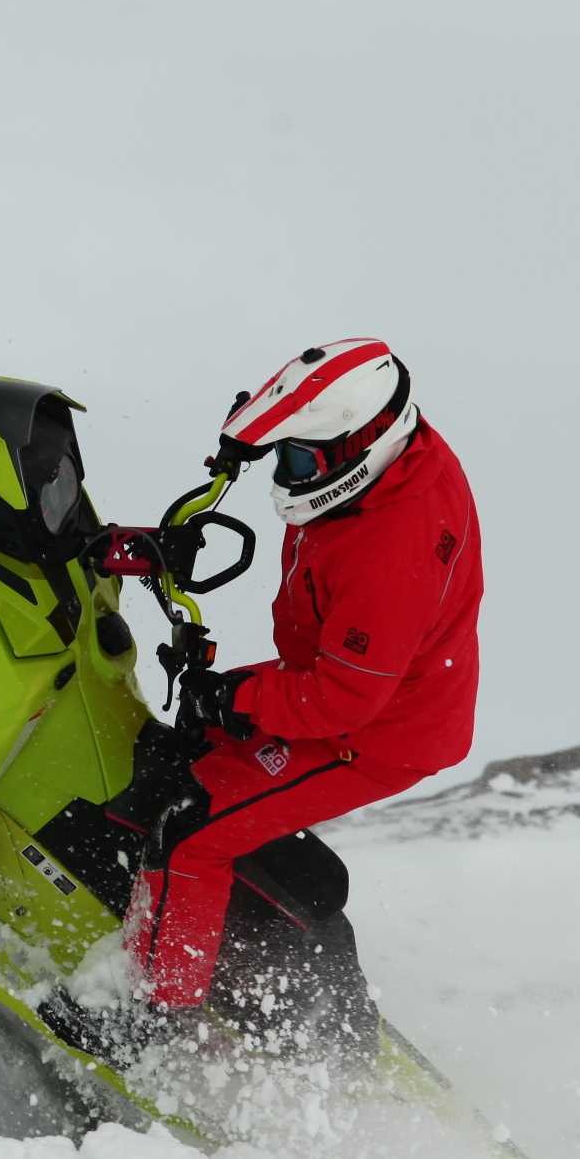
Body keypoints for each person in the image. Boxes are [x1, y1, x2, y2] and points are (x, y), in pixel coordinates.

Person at [122, 339, 483, 1009]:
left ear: (359, 450)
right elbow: (301, 408)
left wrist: (237, 698)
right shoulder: (390, 455)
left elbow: (340, 700)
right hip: (357, 680)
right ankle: (193, 928)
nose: (286, 473)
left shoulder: (388, 558)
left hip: (374, 731)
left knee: (191, 832)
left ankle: (154, 1020)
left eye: (297, 458)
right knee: (183, 753)